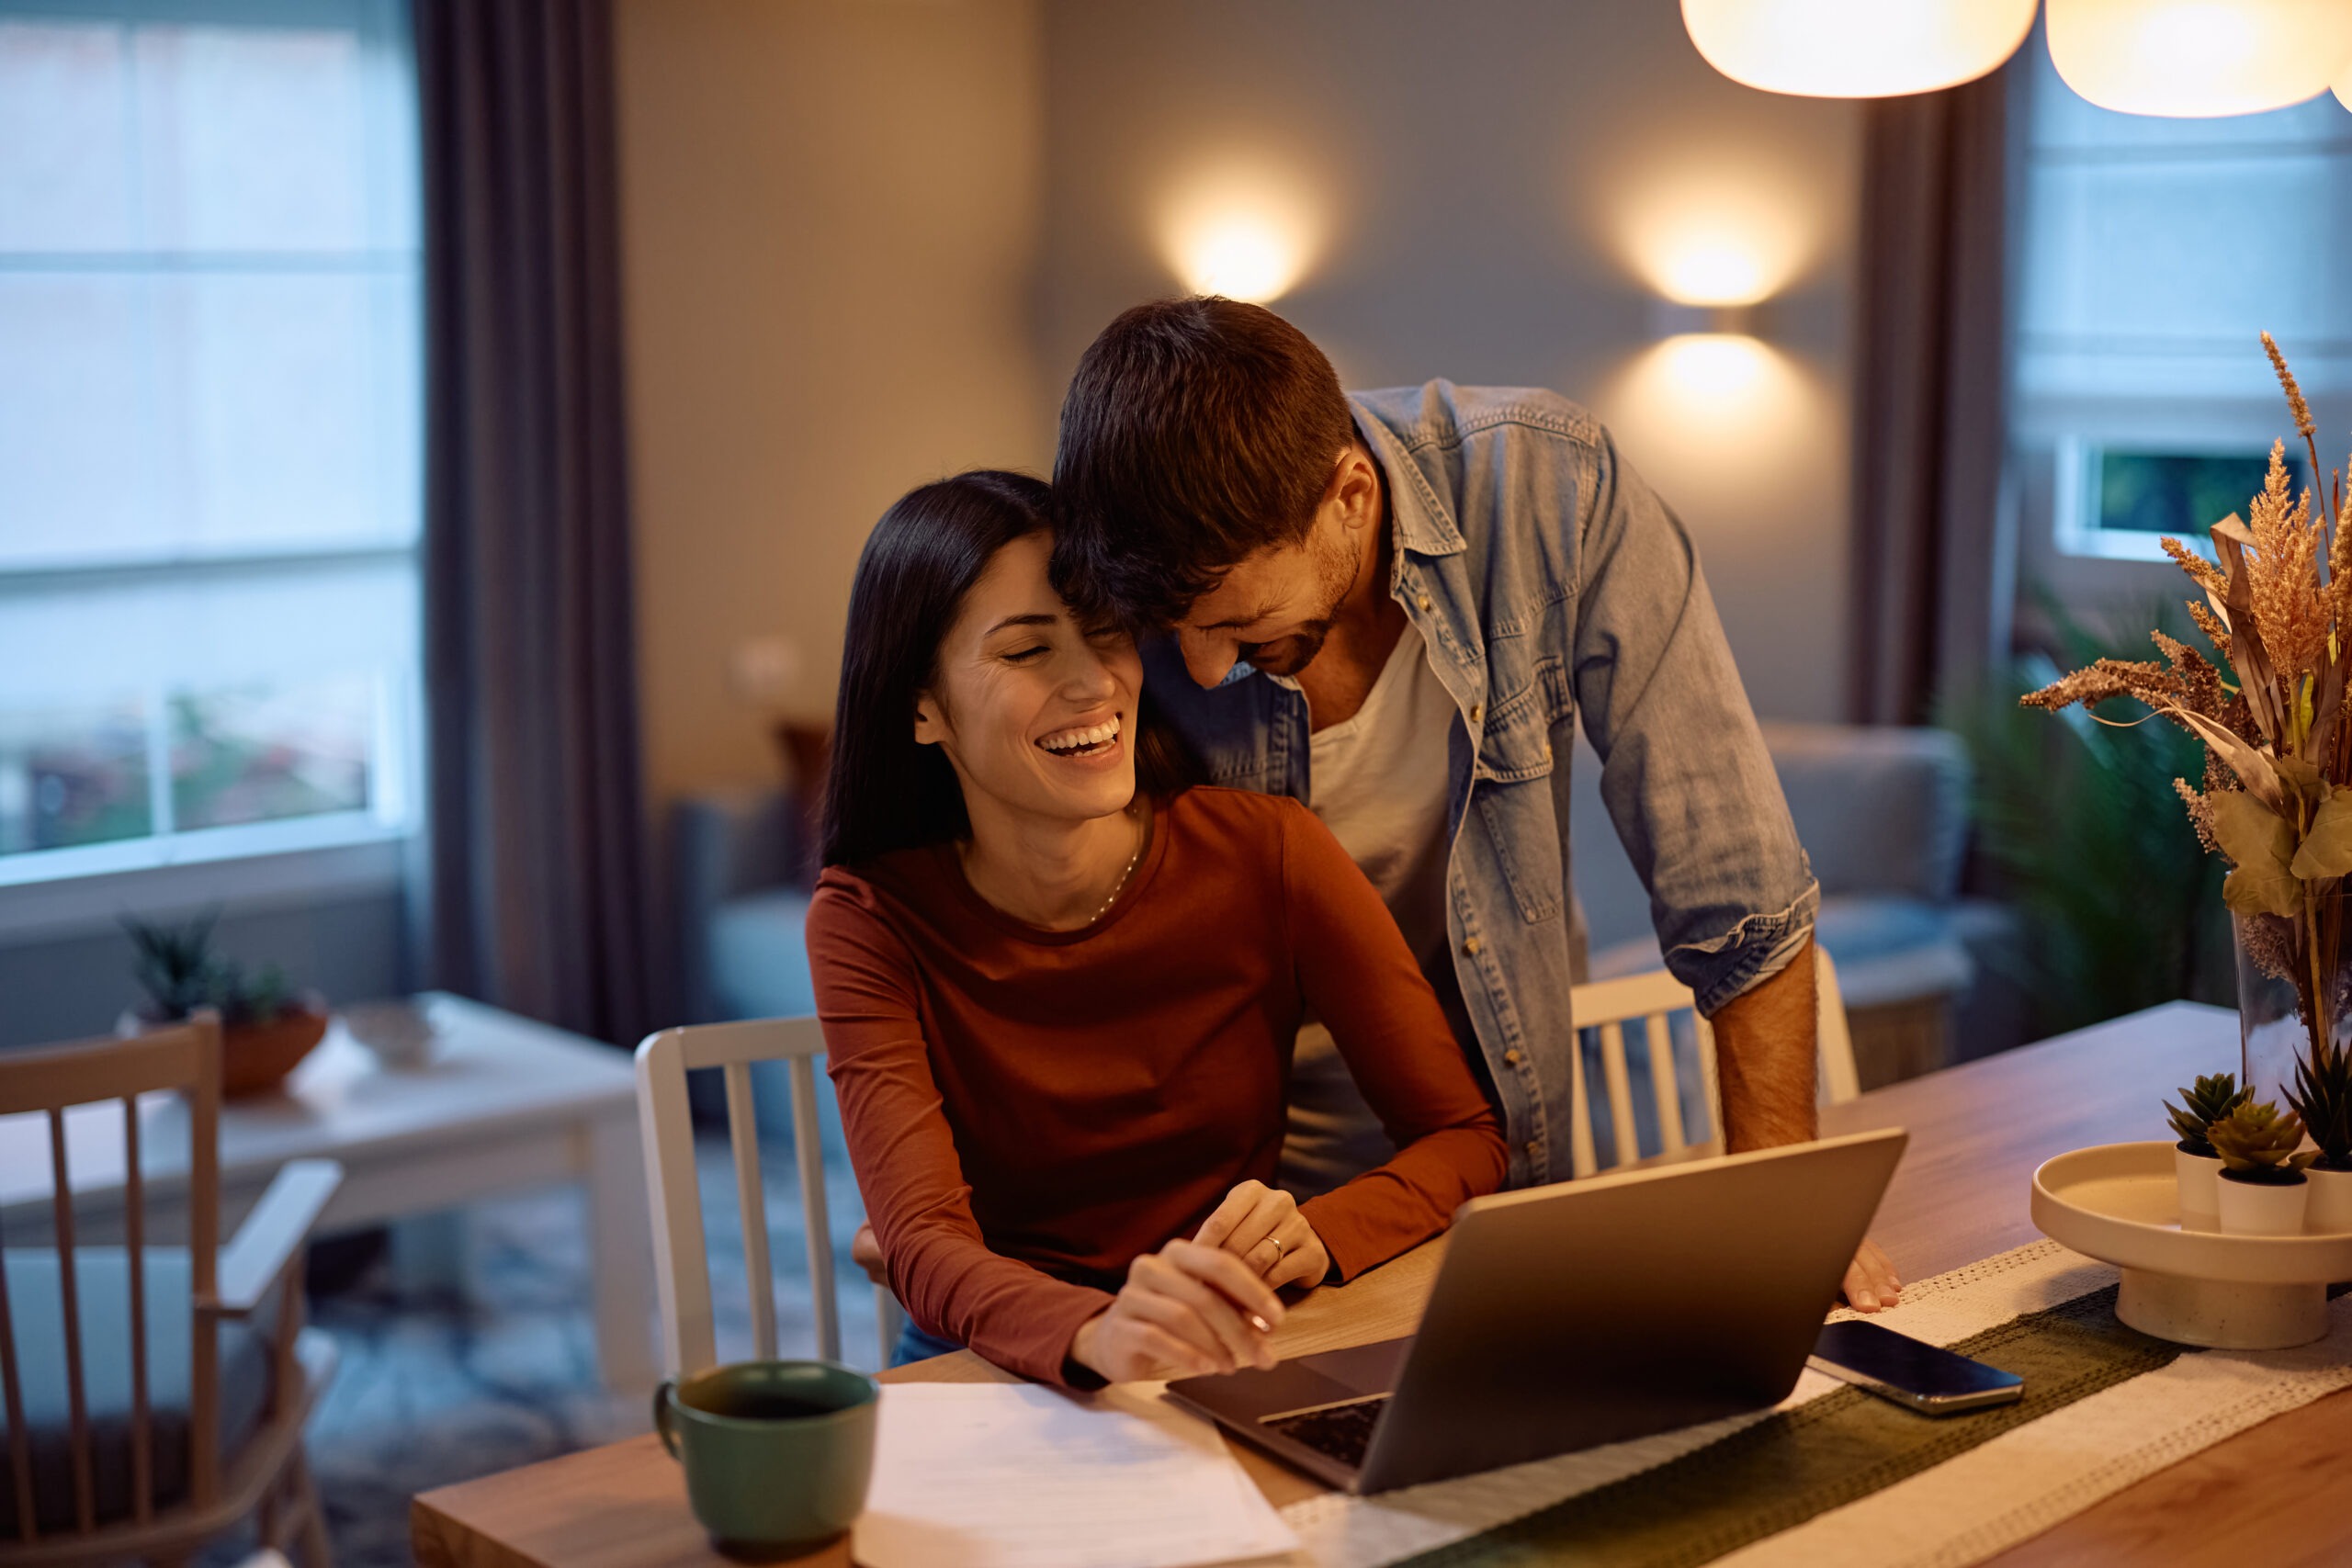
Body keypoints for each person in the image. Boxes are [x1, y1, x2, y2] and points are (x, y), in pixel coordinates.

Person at [1050, 297, 1902, 1311]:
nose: (1197, 666)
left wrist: (1777, 1210)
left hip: (1484, 1156)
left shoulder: (1552, 487)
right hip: (1214, 1212)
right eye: (1170, 629)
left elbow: (1740, 896)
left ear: (1350, 496)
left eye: (1240, 622)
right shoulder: (1126, 537)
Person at [805, 469, 1508, 1387]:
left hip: (1229, 1337)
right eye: (1024, 652)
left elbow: (1464, 1136)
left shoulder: (1270, 853)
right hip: (994, 1360)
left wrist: (1316, 1233)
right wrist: (1100, 1332)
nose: (1092, 680)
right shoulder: (868, 919)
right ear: (920, 706)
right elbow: (925, 1247)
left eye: (1105, 632)